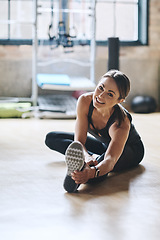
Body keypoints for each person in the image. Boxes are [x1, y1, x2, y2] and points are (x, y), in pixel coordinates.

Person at [45, 70, 144, 193]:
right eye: (101, 87)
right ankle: (91, 160)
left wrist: (91, 172)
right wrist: (85, 156)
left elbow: (110, 159)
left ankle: (89, 167)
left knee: (94, 174)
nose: (101, 95)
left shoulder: (120, 123)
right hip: (105, 146)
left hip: (129, 151)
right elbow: (79, 141)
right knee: (51, 138)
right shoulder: (85, 101)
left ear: (119, 100)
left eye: (110, 94)